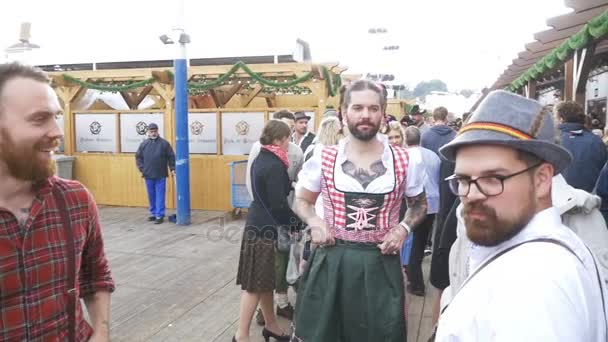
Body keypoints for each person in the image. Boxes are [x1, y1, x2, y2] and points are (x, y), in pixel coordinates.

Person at [434, 90, 607, 341]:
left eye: (493, 178)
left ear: (542, 179)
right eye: (463, 179)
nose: (471, 195)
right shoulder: (526, 251)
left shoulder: (533, 286)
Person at [292, 79, 428, 342]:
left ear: (383, 113)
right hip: (332, 261)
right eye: (357, 108)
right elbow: (302, 200)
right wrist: (314, 221)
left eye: (373, 108)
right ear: (344, 113)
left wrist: (403, 228)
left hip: (381, 263)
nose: (365, 115)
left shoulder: (405, 159)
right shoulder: (323, 157)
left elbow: (420, 204)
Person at [0, 62, 115, 341]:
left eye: (56, 117)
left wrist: (101, 330)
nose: (58, 132)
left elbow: (95, 275)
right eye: (39, 119)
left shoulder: (74, 199)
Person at [234, 120, 300, 342]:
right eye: (287, 139)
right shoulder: (273, 164)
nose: (289, 143)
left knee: (264, 283)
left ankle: (271, 326)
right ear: (277, 140)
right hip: (264, 229)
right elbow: (278, 205)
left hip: (257, 224)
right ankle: (241, 336)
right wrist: (297, 225)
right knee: (254, 286)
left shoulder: (262, 158)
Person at [403, 126, 441, 296]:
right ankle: (415, 280)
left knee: (409, 243)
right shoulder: (433, 156)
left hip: (412, 204)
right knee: (419, 242)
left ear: (405, 139)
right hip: (433, 203)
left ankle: (415, 282)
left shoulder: (403, 156)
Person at [556, 101, 607, 192]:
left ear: (561, 119)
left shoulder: (551, 140)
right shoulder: (596, 141)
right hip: (591, 199)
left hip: (558, 199)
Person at [135, 122, 175, 224]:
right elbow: (138, 157)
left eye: (155, 131)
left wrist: (172, 168)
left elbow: (171, 156)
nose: (153, 133)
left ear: (158, 131)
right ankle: (153, 213)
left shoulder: (164, 143)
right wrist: (142, 169)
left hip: (161, 174)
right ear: (148, 132)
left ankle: (159, 215)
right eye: (151, 131)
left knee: (160, 195)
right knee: (151, 195)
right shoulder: (143, 144)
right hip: (148, 174)